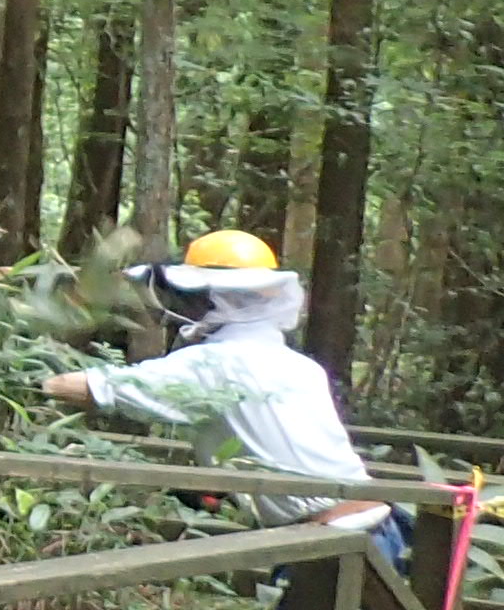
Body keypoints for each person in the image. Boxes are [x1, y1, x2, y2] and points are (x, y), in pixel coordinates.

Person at [39, 229, 401, 564]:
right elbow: (273, 443)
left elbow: (109, 387)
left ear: (216, 298)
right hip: (371, 529)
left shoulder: (214, 363)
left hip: (334, 545)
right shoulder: (297, 366)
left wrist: (34, 380)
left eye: (190, 295)